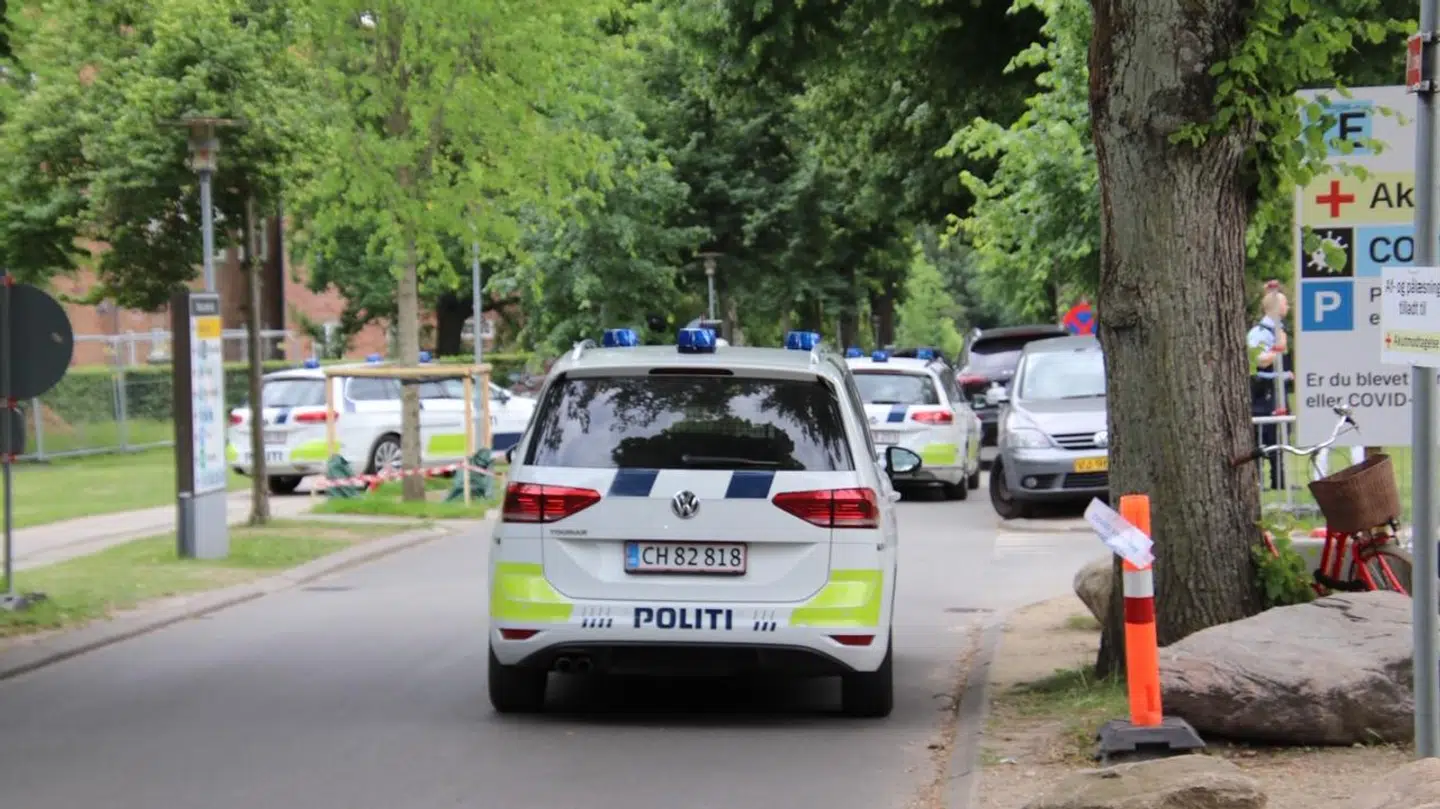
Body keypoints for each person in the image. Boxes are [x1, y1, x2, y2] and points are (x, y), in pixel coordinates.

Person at [1247, 281, 1294, 490]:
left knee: (1281, 433)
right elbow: (1258, 359)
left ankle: (1279, 481)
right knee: (1264, 435)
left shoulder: (1280, 330)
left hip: (1279, 389)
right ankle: (1256, 481)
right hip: (1265, 392)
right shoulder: (1259, 332)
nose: (1288, 307)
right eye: (1285, 304)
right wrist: (1277, 350)